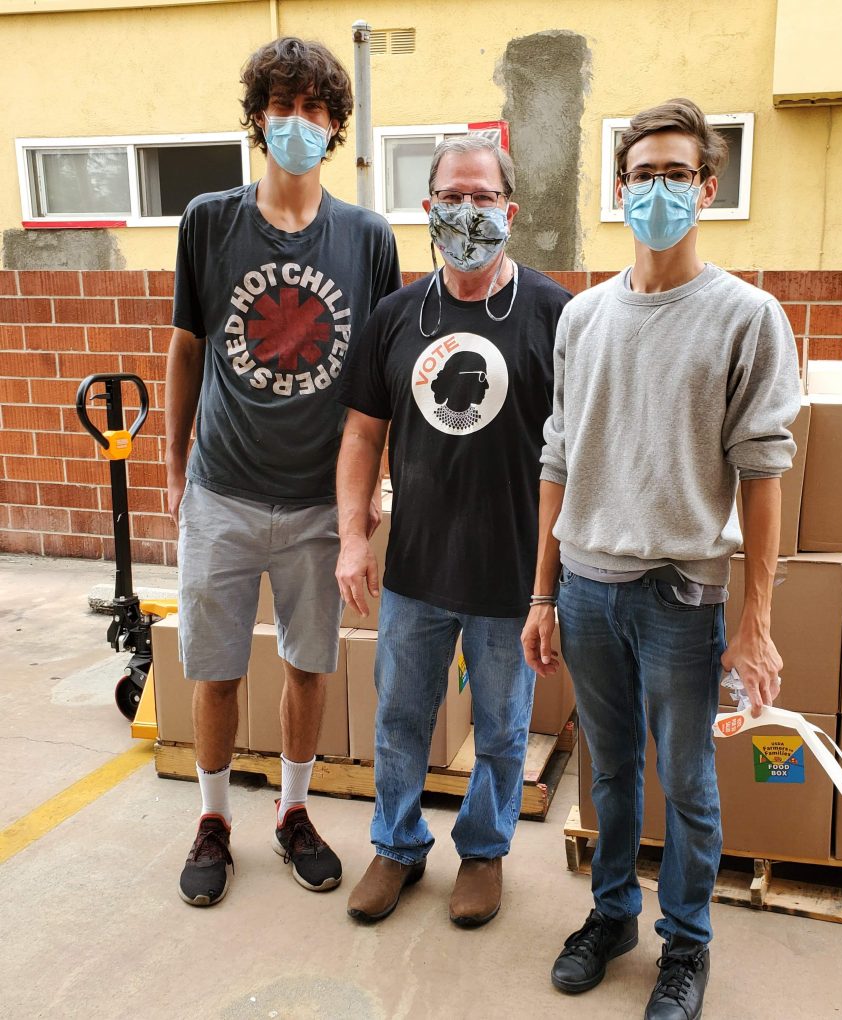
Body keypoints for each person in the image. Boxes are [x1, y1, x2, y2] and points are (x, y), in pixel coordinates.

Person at [522, 98, 800, 1019]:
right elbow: (558, 459)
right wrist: (542, 595)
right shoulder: (583, 317)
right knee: (607, 773)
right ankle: (611, 916)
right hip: (588, 591)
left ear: (708, 189)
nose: (658, 191)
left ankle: (686, 943)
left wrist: (755, 623)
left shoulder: (747, 317)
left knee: (685, 782)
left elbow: (763, 474)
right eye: (643, 175)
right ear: (619, 188)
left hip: (683, 596)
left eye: (677, 175)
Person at [166, 36, 400, 908]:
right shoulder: (208, 221)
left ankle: (293, 812)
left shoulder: (369, 238)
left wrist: (369, 494)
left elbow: (381, 376)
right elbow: (186, 349)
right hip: (222, 491)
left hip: (317, 503)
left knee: (309, 666)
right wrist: (175, 469)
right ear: (258, 118)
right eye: (282, 105)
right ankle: (213, 819)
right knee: (215, 670)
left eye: (314, 108)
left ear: (335, 126)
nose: (297, 122)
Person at [335, 135, 570, 927]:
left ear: (510, 210)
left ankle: (483, 852)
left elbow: (576, 453)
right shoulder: (397, 316)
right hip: (418, 572)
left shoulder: (554, 314)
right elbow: (362, 434)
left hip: (511, 577)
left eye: (482, 196)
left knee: (502, 731)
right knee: (400, 721)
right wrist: (353, 537)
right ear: (427, 208)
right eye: (450, 196)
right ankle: (397, 846)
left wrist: (553, 582)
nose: (466, 211)